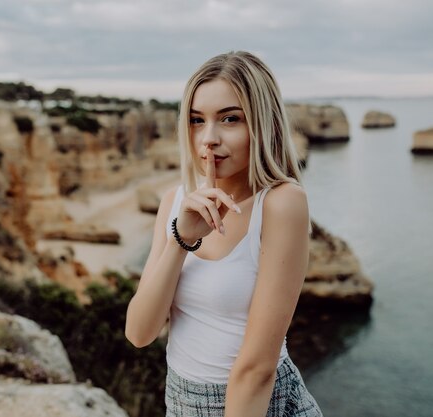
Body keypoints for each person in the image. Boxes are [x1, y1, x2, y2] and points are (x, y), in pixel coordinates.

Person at [125, 51, 323, 417]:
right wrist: (181, 241)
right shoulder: (175, 201)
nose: (209, 139)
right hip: (180, 404)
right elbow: (140, 332)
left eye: (230, 119)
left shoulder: (281, 203)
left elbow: (256, 370)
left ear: (263, 123)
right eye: (197, 120)